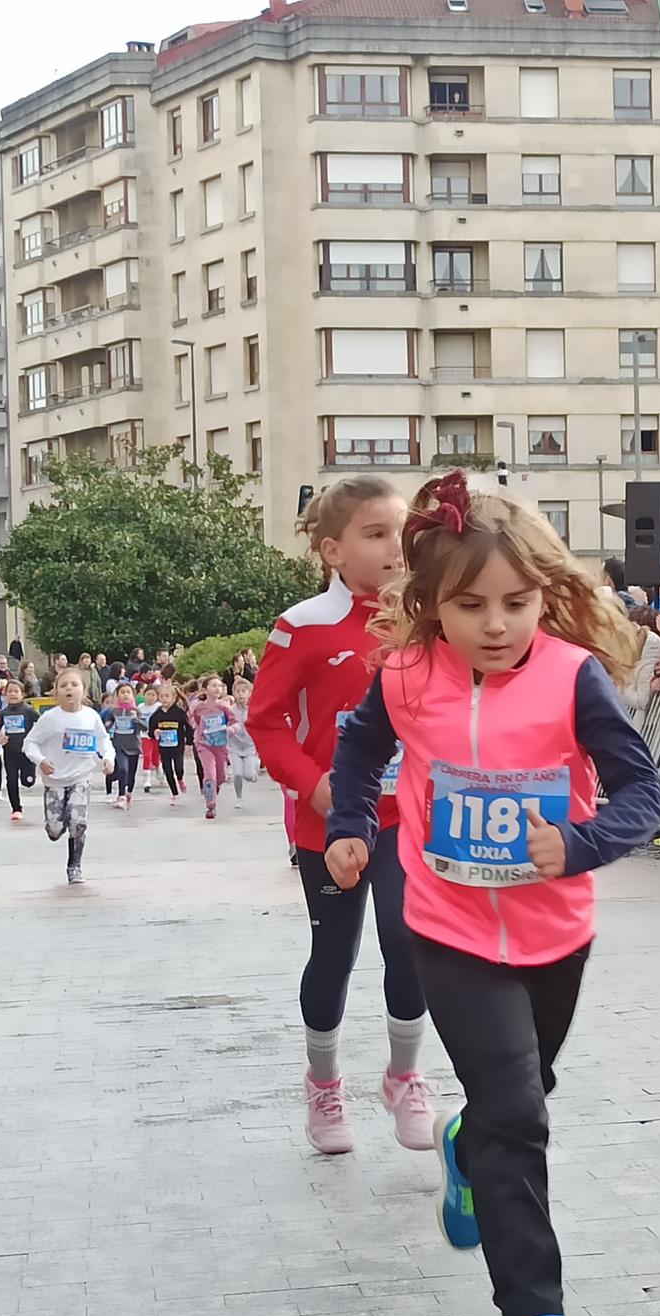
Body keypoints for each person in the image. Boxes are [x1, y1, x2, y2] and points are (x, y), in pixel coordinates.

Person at [324, 475, 660, 1316]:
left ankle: (466, 1146)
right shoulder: (405, 676)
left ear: (542, 595)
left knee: (518, 1100)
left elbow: (642, 793)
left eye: (516, 603)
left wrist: (581, 844)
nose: (497, 623)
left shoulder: (570, 675)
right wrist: (351, 822)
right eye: (470, 605)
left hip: (555, 931)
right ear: (430, 602)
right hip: (448, 925)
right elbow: (358, 751)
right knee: (519, 1106)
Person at [251, 475, 440, 1153]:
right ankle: (325, 1085)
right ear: (333, 550)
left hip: (408, 818)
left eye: (400, 531)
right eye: (376, 533)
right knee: (334, 954)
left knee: (408, 938)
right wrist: (317, 786)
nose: (395, 546)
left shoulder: (431, 620)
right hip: (328, 825)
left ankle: (404, 1075)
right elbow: (266, 723)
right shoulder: (300, 627)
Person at [23, 667, 112, 883]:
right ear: (55, 693)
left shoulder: (91, 716)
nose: (69, 689)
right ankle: (54, 827)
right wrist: (41, 761)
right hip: (55, 781)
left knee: (78, 823)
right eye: (63, 686)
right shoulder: (50, 719)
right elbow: (30, 743)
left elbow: (103, 740)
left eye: (74, 685)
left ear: (84, 690)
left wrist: (109, 758)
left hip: (81, 778)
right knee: (55, 830)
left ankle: (75, 866)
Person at [190, 674, 239, 820]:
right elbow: (195, 720)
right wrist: (197, 729)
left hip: (220, 745)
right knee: (209, 774)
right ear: (205, 690)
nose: (217, 688)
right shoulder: (199, 707)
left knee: (221, 776)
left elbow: (235, 722)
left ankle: (213, 791)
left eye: (219, 686)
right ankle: (210, 805)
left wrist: (231, 729)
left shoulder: (224, 706)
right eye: (213, 685)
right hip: (204, 744)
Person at [0, 679, 40, 823]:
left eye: (16, 691)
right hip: (10, 751)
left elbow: (41, 723)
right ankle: (16, 808)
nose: (13, 694)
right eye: (10, 691)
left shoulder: (28, 710)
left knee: (28, 782)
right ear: (5, 694)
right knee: (11, 779)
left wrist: (37, 739)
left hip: (26, 751)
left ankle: (29, 777)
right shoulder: (3, 713)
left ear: (23, 694)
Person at [148, 680, 193, 804]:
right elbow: (151, 730)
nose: (164, 699)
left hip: (178, 746)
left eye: (167, 696)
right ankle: (175, 793)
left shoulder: (179, 713)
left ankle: (180, 779)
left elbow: (188, 727)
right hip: (164, 748)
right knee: (167, 770)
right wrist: (155, 732)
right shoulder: (156, 714)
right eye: (161, 696)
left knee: (179, 768)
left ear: (173, 698)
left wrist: (189, 742)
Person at [106, 682, 143, 811]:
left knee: (131, 774)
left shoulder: (136, 711)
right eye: (122, 692)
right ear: (117, 695)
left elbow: (144, 728)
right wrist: (107, 725)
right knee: (123, 769)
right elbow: (108, 723)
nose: (125, 695)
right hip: (119, 745)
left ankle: (129, 793)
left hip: (133, 746)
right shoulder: (114, 711)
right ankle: (121, 796)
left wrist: (135, 719)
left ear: (133, 695)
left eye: (128, 692)